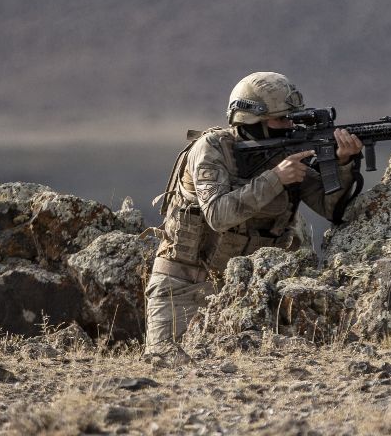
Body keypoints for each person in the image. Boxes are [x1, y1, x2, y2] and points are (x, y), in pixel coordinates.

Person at [143, 72, 363, 362]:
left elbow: (331, 208)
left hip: (245, 292)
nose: (289, 126)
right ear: (251, 120)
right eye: (280, 119)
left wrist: (344, 163)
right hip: (183, 287)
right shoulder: (212, 149)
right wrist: (276, 178)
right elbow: (218, 215)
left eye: (291, 118)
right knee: (167, 369)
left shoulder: (281, 155)